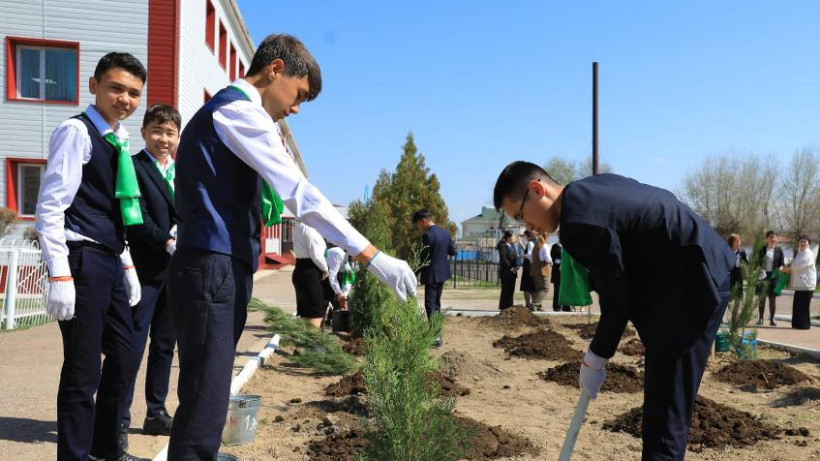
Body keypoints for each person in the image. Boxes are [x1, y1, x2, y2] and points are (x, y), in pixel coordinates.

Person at [168, 34, 417, 460]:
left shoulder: (232, 114)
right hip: (212, 264)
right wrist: (372, 256)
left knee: (205, 391)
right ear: (276, 69)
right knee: (205, 397)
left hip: (217, 264)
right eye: (299, 95)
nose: (296, 109)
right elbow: (299, 195)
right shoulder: (238, 112)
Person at [494, 161, 733, 460]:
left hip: (692, 284)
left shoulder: (578, 221)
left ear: (537, 189)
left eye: (519, 215)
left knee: (665, 415)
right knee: (662, 407)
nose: (525, 226)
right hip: (694, 271)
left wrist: (596, 357)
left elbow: (617, 297)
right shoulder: (590, 189)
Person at [35, 52, 146, 461]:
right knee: (83, 370)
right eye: (116, 88)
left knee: (127, 350)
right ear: (93, 85)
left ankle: (104, 449)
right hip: (82, 259)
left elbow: (117, 210)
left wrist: (127, 264)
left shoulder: (118, 140)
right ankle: (76, 456)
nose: (125, 99)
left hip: (112, 259)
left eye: (134, 93)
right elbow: (50, 207)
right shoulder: (76, 132)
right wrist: (59, 274)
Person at [118, 103, 181, 449]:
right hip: (142, 270)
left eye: (170, 132)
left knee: (164, 347)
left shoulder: (180, 172)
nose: (163, 138)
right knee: (132, 345)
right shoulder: (134, 166)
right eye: (157, 130)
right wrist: (168, 241)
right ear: (144, 132)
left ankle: (155, 413)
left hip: (173, 273)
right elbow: (136, 217)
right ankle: (119, 418)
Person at [292, 222, 330, 328]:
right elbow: (316, 255)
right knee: (316, 312)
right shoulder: (309, 228)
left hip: (302, 270)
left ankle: (306, 341)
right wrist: (325, 269)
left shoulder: (300, 226)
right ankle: (312, 342)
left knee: (306, 312)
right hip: (310, 272)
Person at [779, 235, 816, 329]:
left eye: (805, 242)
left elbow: (796, 267)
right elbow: (794, 265)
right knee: (797, 305)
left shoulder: (808, 254)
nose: (802, 243)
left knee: (803, 306)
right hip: (800, 285)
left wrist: (784, 269)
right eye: (801, 242)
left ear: (809, 244)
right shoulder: (800, 253)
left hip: (807, 285)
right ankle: (796, 324)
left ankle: (804, 325)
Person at [756, 230, 784, 326]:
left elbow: (782, 264)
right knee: (762, 298)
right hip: (763, 276)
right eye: (770, 237)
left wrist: (780, 268)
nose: (772, 239)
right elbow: (757, 263)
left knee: (772, 299)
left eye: (774, 237)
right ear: (767, 238)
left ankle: (772, 319)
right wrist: (760, 269)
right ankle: (760, 318)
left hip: (774, 276)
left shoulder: (779, 250)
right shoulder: (762, 250)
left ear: (776, 238)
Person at [529, 233, 552, 311]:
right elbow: (547, 259)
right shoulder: (545, 245)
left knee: (539, 288)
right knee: (545, 288)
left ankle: (538, 306)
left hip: (535, 269)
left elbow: (531, 259)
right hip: (543, 268)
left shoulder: (535, 246)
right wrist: (551, 262)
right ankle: (534, 303)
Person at [727, 233, 748, 313]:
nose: (738, 243)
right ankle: (722, 316)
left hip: (739, 276)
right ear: (731, 242)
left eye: (739, 241)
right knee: (728, 297)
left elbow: (746, 264)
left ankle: (734, 317)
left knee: (738, 297)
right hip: (728, 275)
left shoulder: (742, 252)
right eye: (736, 241)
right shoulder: (726, 251)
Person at [497, 230, 518, 310]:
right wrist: (512, 268)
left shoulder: (512, 246)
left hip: (513, 273)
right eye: (513, 236)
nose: (514, 238)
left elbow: (514, 258)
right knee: (506, 290)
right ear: (509, 237)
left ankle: (510, 307)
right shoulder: (503, 246)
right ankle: (504, 307)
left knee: (511, 291)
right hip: (506, 272)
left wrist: (516, 267)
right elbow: (504, 259)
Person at [519, 231, 537, 309]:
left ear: (527, 235)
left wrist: (521, 256)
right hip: (534, 267)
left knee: (526, 287)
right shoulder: (535, 242)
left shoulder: (530, 243)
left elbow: (530, 255)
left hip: (528, 267)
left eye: (525, 236)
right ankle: (534, 304)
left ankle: (528, 304)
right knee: (532, 286)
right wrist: (521, 244)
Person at [550, 241, 570, 312]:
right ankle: (556, 306)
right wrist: (557, 261)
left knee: (567, 289)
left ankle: (566, 306)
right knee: (557, 289)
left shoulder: (568, 244)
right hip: (557, 271)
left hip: (566, 271)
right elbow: (551, 257)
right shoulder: (555, 246)